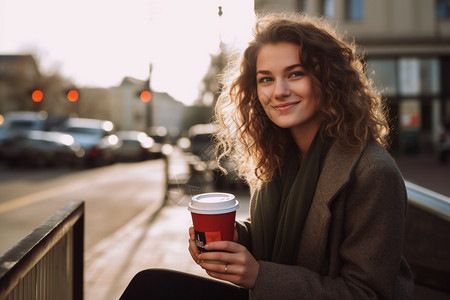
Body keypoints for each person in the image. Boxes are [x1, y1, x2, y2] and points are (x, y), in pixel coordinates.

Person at [120, 12, 414, 299]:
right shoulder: (278, 157)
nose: (279, 91)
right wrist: (234, 239)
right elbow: (275, 234)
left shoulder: (372, 171)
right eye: (266, 79)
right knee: (150, 285)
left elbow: (367, 293)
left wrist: (260, 277)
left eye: (295, 74)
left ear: (329, 79)